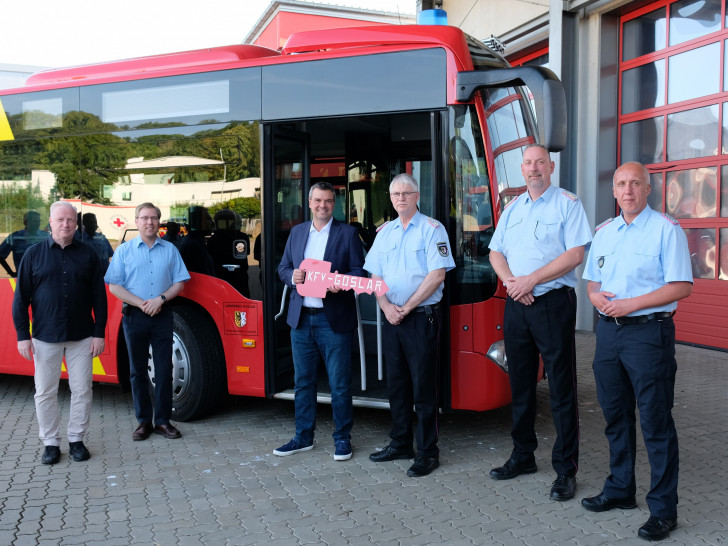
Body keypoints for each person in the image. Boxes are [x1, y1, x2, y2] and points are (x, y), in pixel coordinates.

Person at [581, 162, 692, 541]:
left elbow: (681, 286)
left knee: (655, 422)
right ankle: (620, 489)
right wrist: (597, 297)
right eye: (621, 184)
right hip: (608, 336)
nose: (627, 190)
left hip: (648, 335)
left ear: (648, 189)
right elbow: (593, 284)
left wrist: (631, 304)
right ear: (613, 191)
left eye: (635, 184)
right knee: (614, 416)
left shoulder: (666, 229)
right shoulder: (605, 232)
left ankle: (663, 510)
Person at [487, 144, 592, 501]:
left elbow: (576, 254)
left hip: (552, 303)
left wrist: (530, 280)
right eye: (528, 163)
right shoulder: (512, 208)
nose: (534, 169)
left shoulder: (568, 203)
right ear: (522, 169)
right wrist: (514, 283)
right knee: (520, 384)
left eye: (540, 163)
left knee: (561, 387)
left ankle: (566, 469)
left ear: (551, 166)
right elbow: (495, 251)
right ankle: (523, 455)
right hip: (517, 303)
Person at [364, 173, 455, 477]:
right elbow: (375, 276)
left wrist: (407, 307)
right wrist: (387, 307)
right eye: (395, 194)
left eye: (406, 193)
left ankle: (428, 452)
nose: (401, 198)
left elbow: (437, 276)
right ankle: (401, 442)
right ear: (390, 199)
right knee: (397, 385)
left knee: (423, 388)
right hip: (392, 318)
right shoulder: (385, 232)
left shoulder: (432, 229)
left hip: (421, 318)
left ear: (417, 196)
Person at [11, 201, 107, 465]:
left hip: (82, 337)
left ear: (76, 224)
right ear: (50, 223)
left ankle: (76, 439)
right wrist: (22, 335)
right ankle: (51, 443)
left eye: (70, 220)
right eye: (60, 220)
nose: (66, 224)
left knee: (82, 390)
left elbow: (100, 297)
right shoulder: (32, 255)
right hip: (44, 337)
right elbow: (21, 299)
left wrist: (99, 333)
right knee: (44, 392)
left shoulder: (88, 255)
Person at [275, 182, 365, 461]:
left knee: (339, 384)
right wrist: (293, 276)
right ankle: (303, 437)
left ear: (334, 203)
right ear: (310, 202)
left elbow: (359, 272)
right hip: (301, 318)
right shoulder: (298, 232)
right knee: (303, 382)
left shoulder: (348, 233)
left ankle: (342, 439)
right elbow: (283, 267)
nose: (322, 206)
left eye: (327, 201)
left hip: (333, 319)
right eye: (317, 201)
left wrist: (341, 284)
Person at [105, 202, 190, 441]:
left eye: (154, 218)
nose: (149, 222)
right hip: (134, 316)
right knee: (137, 371)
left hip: (162, 314)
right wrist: (141, 303)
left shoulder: (171, 250)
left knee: (164, 370)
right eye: (144, 218)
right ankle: (143, 421)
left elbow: (180, 283)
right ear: (137, 221)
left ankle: (163, 421)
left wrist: (159, 300)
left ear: (159, 222)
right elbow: (114, 286)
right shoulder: (124, 251)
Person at [207, 209, 251, 298]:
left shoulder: (240, 237)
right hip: (224, 280)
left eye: (230, 221)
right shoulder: (214, 240)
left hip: (237, 278)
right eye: (223, 222)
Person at [0, 211, 49, 277]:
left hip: (44, 277)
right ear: (25, 222)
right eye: (34, 221)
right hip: (24, 278)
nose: (37, 223)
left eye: (38, 221)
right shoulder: (15, 237)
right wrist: (11, 272)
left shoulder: (45, 236)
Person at [179, 206, 215, 276]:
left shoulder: (195, 241)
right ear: (199, 222)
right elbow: (204, 276)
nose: (212, 224)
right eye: (208, 220)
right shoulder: (193, 245)